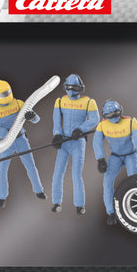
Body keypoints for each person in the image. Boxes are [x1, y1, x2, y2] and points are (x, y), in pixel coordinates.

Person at [0, 80, 46, 209]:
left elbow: (37, 119)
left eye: (6, 93)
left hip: (21, 139)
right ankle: (2, 197)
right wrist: (2, 132)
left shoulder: (18, 103)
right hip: (5, 143)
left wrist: (32, 116)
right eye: (2, 94)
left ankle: (39, 190)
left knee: (31, 166)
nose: (5, 96)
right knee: (1, 170)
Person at [93, 100, 137, 225]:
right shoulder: (102, 125)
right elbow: (96, 142)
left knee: (135, 179)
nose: (113, 117)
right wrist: (100, 159)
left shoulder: (130, 122)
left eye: (116, 113)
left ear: (120, 111)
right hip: (115, 157)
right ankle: (111, 212)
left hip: (131, 155)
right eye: (110, 115)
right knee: (107, 182)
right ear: (105, 115)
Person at [51, 74, 99, 215]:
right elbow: (56, 121)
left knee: (76, 174)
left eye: (74, 89)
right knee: (58, 173)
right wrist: (57, 135)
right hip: (64, 142)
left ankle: (79, 205)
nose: (71, 92)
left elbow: (94, 119)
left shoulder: (89, 102)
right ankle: (56, 202)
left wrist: (81, 129)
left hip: (78, 142)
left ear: (80, 89)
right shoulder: (60, 101)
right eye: (69, 88)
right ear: (65, 88)